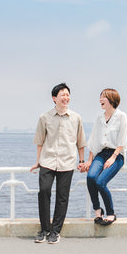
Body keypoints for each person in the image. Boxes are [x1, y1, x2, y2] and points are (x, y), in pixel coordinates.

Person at [30, 82, 86, 244]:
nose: (66, 97)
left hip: (67, 162)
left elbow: (80, 142)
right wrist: (37, 162)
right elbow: (40, 141)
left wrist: (81, 161)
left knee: (62, 197)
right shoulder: (45, 117)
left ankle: (55, 231)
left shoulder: (76, 118)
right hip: (47, 161)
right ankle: (44, 229)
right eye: (62, 95)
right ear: (54, 98)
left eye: (67, 94)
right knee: (44, 191)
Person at [82, 88, 127, 226]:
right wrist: (89, 161)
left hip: (117, 155)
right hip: (102, 154)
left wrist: (113, 157)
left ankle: (111, 213)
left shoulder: (121, 116)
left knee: (101, 182)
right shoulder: (99, 118)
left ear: (112, 99)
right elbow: (94, 141)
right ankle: (97, 210)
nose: (101, 99)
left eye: (104, 97)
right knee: (91, 177)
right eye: (100, 96)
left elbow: (122, 140)